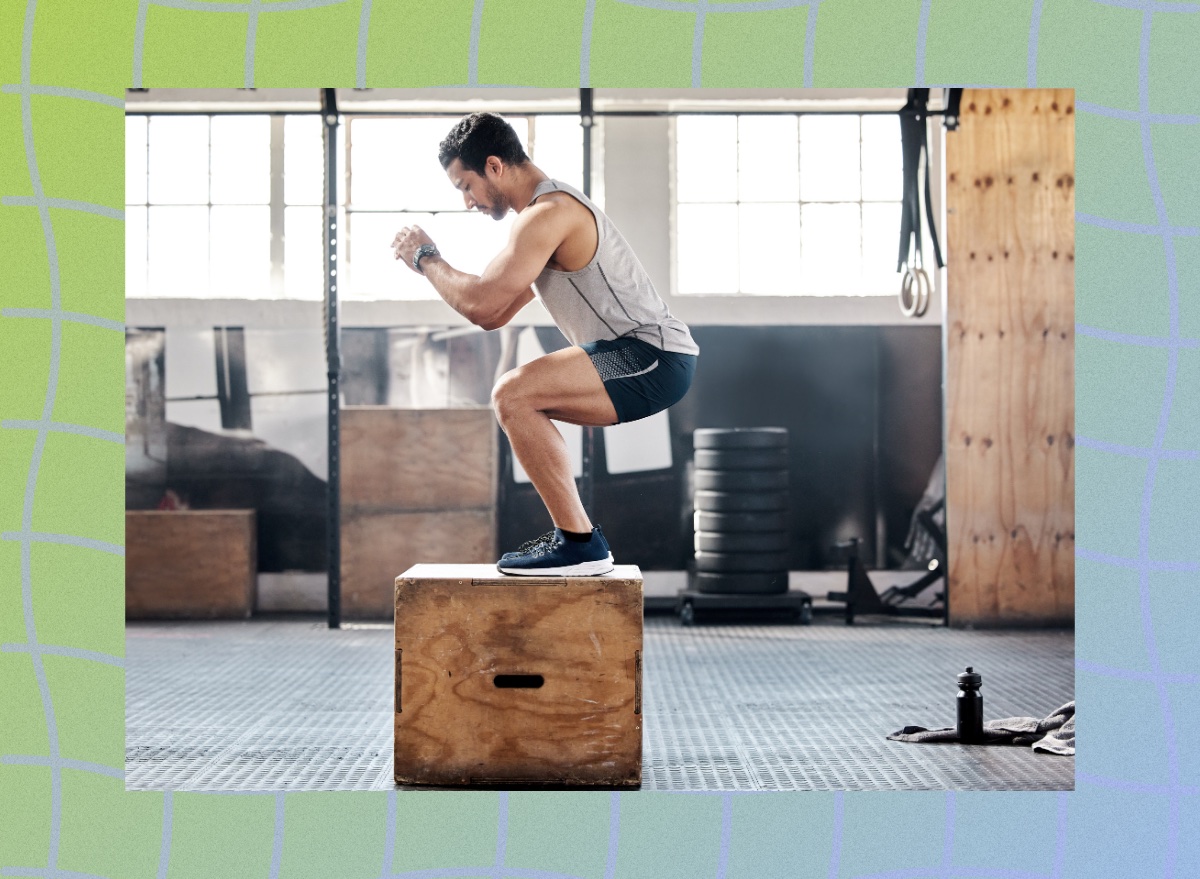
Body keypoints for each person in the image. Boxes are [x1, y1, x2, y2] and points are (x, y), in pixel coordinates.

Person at [392, 112, 698, 576]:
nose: (468, 201)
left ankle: (579, 544)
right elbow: (494, 314)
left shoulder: (548, 215)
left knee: (512, 393)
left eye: (466, 186)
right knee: (518, 400)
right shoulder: (540, 220)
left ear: (494, 165)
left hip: (651, 355)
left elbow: (479, 303)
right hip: (635, 357)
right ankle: (577, 540)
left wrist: (424, 256)